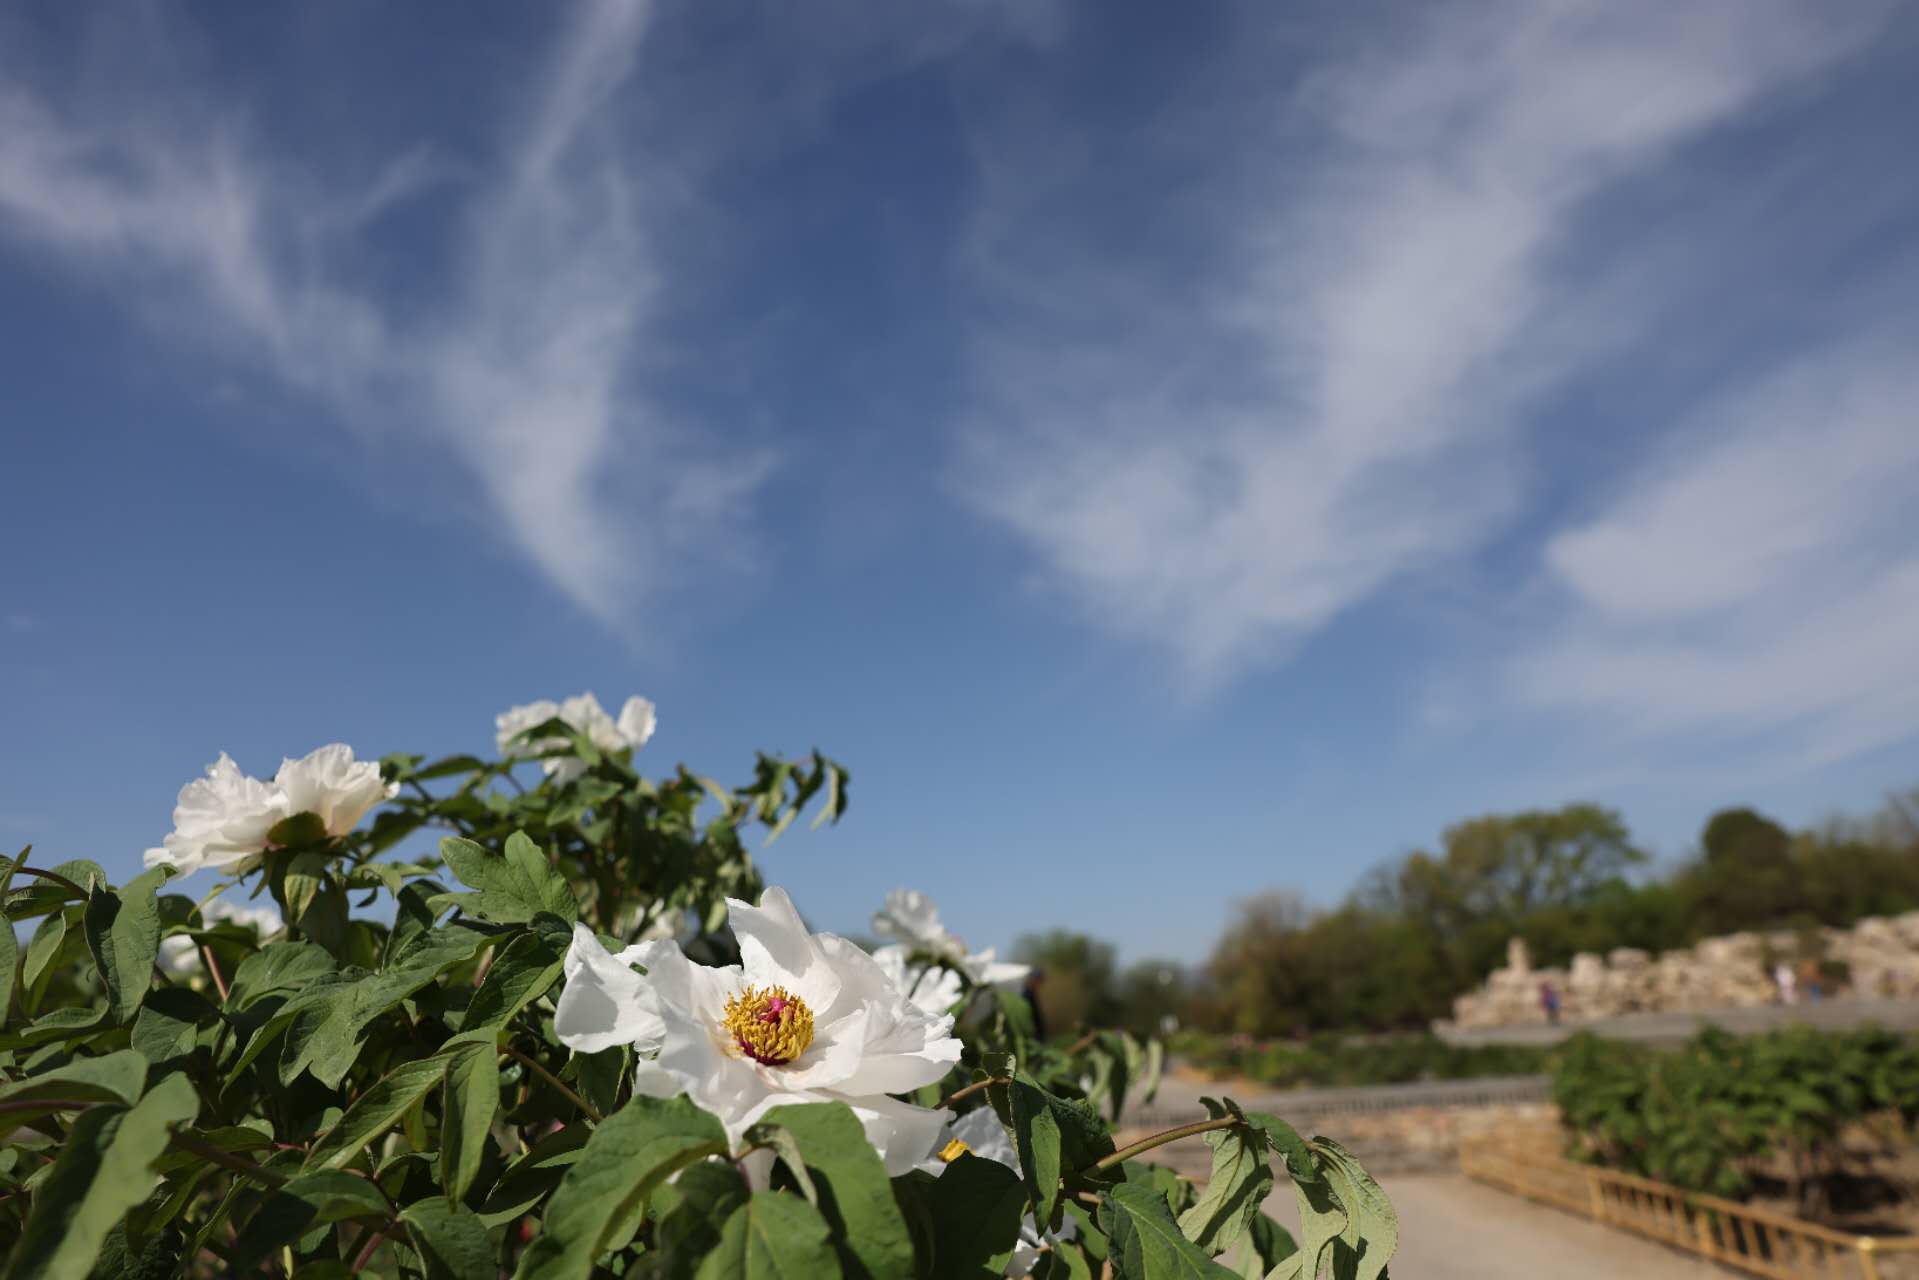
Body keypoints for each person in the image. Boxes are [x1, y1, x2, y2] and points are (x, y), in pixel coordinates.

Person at [1021, 968, 1049, 1041]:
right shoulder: (1027, 995)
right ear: (1034, 980)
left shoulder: (1031, 993)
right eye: (1039, 980)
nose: (1040, 984)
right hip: (1033, 1035)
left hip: (1037, 1033)